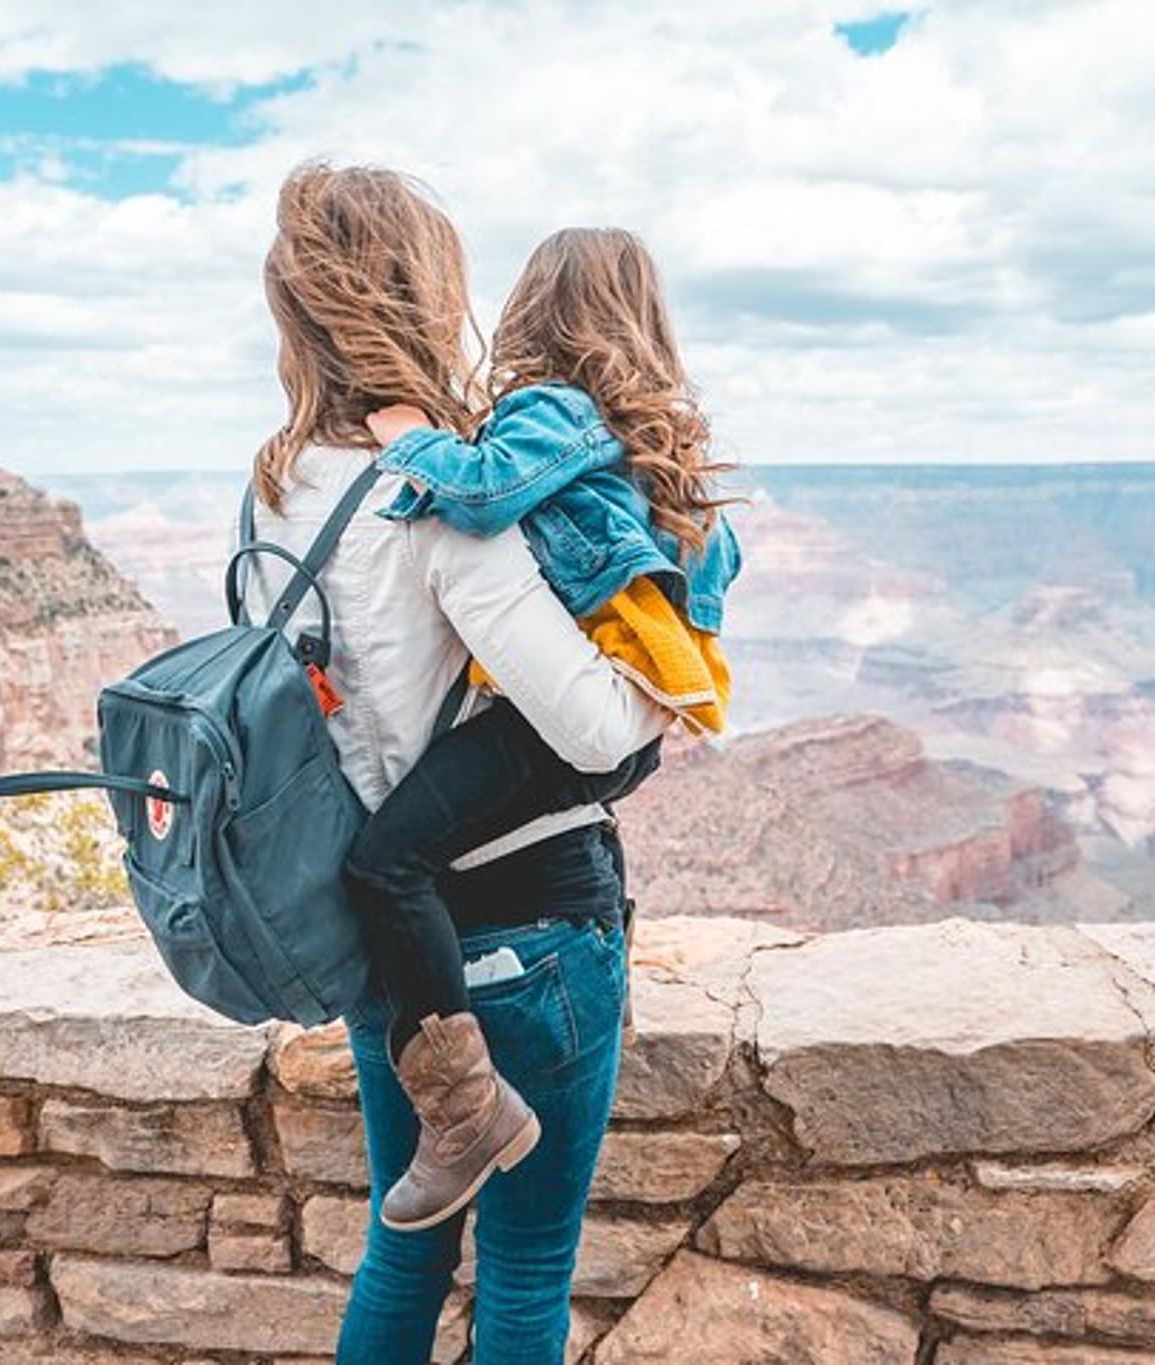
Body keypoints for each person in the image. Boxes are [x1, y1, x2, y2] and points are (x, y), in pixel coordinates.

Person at [236, 162, 670, 1363]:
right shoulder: (433, 497)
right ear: (423, 297)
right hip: (529, 927)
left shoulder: (270, 491)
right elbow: (593, 731)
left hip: (389, 948)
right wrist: (662, 695)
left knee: (404, 1252)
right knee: (525, 1270)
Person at [346, 225, 740, 1234]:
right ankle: (597, 984)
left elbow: (480, 496)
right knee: (538, 1261)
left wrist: (409, 440)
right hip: (621, 722)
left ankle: (465, 1109)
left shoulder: (552, 411)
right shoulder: (656, 444)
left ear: (532, 310)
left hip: (550, 725)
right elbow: (713, 567)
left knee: (385, 861)